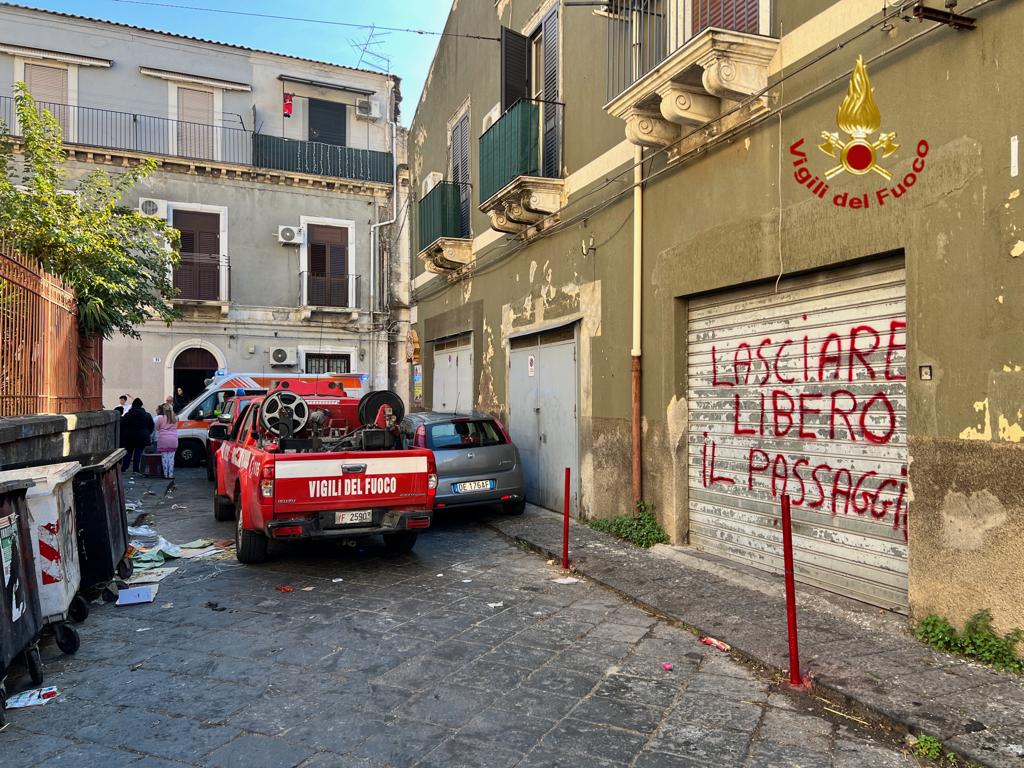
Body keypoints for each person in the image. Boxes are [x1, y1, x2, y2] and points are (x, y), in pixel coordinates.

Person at [120, 398, 154, 474]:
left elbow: (122, 425)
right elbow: (151, 426)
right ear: (141, 405)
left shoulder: (127, 415)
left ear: (133, 405)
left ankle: (124, 468)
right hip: (142, 437)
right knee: (138, 453)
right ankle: (135, 469)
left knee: (128, 453)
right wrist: (147, 433)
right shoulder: (147, 415)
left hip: (129, 437)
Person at [154, 403, 179, 479]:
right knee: (171, 459)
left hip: (163, 440)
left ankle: (165, 475)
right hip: (173, 440)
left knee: (164, 459)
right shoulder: (175, 418)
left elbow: (157, 428)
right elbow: (176, 427)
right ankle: (170, 475)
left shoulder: (160, 418)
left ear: (164, 410)